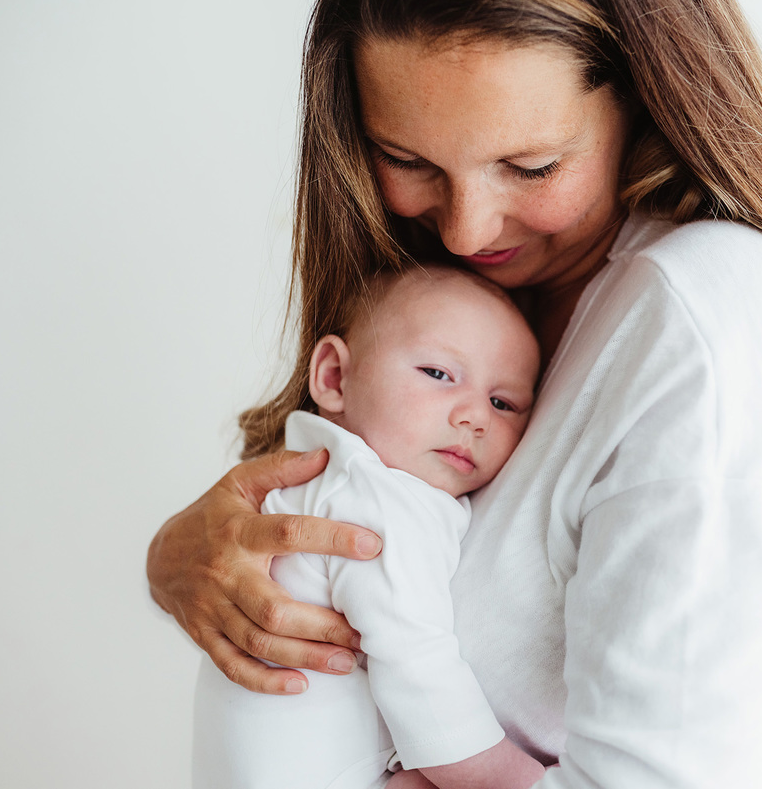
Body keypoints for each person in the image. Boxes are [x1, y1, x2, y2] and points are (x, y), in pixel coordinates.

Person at [148, 0, 762, 785]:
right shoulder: (477, 302)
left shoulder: (699, 319)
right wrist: (176, 563)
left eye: (531, 166)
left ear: (644, 99)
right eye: (408, 160)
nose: (466, 228)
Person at [193, 265, 545, 789]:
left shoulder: (323, 479)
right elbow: (416, 663)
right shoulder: (380, 498)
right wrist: (514, 778)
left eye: (503, 403)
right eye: (438, 373)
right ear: (334, 377)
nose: (475, 416)